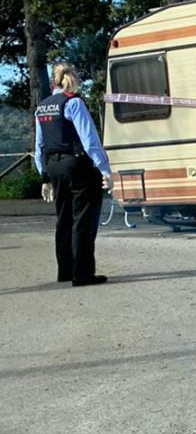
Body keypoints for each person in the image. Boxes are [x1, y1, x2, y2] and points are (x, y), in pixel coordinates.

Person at [34, 63, 113, 287]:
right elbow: (90, 141)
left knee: (64, 218)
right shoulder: (73, 102)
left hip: (54, 166)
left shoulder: (42, 107)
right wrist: (104, 170)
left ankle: (65, 270)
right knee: (83, 220)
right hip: (77, 164)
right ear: (73, 78)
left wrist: (44, 177)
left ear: (53, 81)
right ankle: (83, 273)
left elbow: (39, 146)